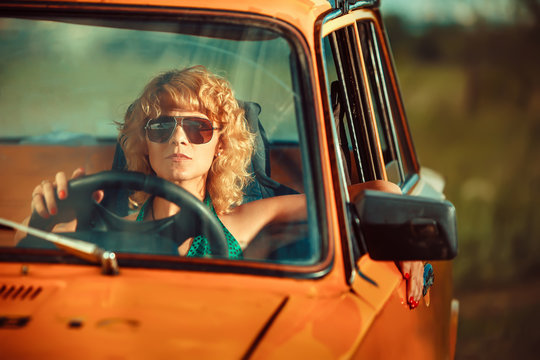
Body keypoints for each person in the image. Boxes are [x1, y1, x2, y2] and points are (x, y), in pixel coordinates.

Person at [16, 65, 425, 309]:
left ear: (220, 144)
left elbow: (358, 194)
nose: (178, 139)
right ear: (144, 143)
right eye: (162, 126)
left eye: (197, 127)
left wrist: (398, 212)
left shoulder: (244, 219)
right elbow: (31, 264)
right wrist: (47, 218)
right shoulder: (112, 223)